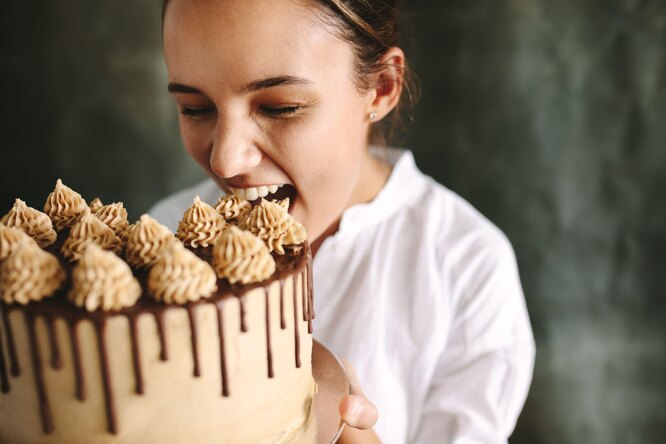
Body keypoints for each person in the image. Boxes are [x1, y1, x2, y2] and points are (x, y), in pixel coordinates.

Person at [151, 0, 536, 442]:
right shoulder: (165, 240)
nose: (225, 159)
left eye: (280, 107)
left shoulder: (465, 267)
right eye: (195, 108)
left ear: (381, 87)